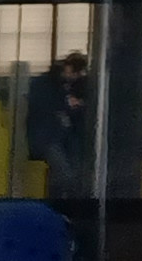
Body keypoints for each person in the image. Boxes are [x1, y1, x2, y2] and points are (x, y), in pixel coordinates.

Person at [22, 50, 93, 199]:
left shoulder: (75, 85)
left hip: (66, 137)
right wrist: (69, 105)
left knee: (72, 174)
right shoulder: (44, 84)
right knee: (65, 175)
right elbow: (42, 106)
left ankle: (59, 203)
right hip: (48, 137)